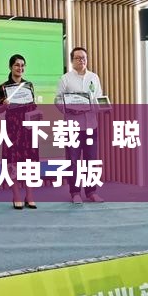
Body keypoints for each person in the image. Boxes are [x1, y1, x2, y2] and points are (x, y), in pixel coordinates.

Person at [55, 46, 104, 204]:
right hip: (73, 126)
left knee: (91, 160)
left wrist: (103, 106)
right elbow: (57, 100)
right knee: (73, 161)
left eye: (84, 57)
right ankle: (75, 193)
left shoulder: (94, 77)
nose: (81, 60)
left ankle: (91, 192)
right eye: (78, 58)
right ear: (72, 61)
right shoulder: (65, 79)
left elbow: (98, 97)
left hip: (91, 126)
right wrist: (69, 108)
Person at [0, 54, 39, 209]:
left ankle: (30, 195)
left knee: (30, 162)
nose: (20, 68)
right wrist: (4, 105)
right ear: (10, 67)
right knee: (12, 162)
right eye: (16, 65)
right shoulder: (3, 87)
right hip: (12, 129)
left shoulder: (29, 85)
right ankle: (16, 195)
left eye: (22, 65)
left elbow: (33, 106)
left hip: (28, 129)